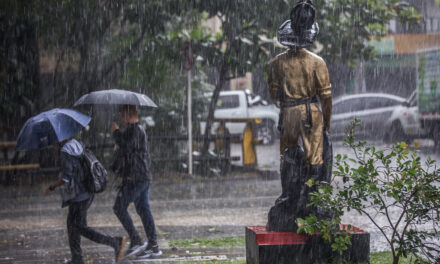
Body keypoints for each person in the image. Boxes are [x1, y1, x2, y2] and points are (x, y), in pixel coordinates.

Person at [266, 0, 333, 231]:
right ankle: (313, 203)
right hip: (311, 113)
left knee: (288, 158)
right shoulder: (317, 63)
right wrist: (327, 122)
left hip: (288, 114)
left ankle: (289, 198)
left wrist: (287, 107)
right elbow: (326, 97)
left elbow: (274, 95)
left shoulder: (276, 63)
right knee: (315, 160)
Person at [43, 138, 126, 264]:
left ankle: (114, 242)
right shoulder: (77, 144)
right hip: (87, 190)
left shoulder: (66, 150)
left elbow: (66, 178)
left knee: (79, 227)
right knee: (72, 225)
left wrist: (51, 187)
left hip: (79, 195)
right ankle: (77, 258)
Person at [111, 104, 162, 259]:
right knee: (143, 210)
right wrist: (119, 144)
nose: (121, 118)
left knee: (119, 207)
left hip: (137, 178)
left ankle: (137, 239)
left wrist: (116, 133)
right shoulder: (135, 130)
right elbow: (128, 149)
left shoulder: (135, 130)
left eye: (121, 115)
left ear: (127, 115)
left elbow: (127, 147)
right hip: (141, 177)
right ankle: (153, 246)